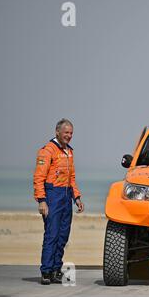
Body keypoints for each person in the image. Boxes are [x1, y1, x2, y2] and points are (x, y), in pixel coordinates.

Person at [33, 119, 84, 285]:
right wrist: (41, 201)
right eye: (66, 133)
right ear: (57, 132)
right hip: (52, 197)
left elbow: (72, 178)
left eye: (71, 133)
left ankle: (56, 270)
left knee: (63, 236)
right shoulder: (47, 151)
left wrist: (77, 197)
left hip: (66, 197)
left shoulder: (69, 151)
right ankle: (46, 272)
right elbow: (38, 178)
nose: (69, 136)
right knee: (52, 235)